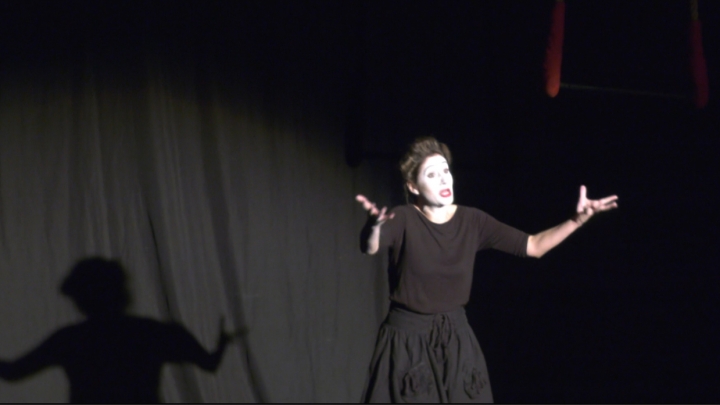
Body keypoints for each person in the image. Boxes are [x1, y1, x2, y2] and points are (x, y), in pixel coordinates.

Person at [356, 137, 618, 403]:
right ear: (413, 186)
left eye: (446, 170)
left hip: (456, 341)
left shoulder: (473, 220)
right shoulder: (403, 218)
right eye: (432, 175)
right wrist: (373, 227)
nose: (444, 179)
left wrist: (577, 220)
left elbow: (533, 246)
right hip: (408, 344)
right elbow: (371, 246)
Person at [0, 257, 234, 403]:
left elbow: (12, 372)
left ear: (81, 299)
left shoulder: (71, 339)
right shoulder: (153, 332)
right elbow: (209, 363)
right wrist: (222, 343)